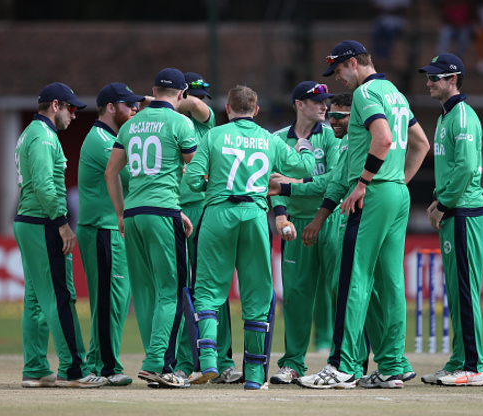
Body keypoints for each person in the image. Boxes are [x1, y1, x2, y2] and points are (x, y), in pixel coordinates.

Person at [297, 40, 429, 389]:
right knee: (391, 284)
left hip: (372, 193)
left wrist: (366, 182)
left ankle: (341, 365)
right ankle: (392, 365)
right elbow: (421, 143)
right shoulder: (395, 92)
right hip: (396, 195)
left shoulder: (367, 92)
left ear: (353, 62)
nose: (338, 79)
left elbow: (383, 139)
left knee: (353, 277)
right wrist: (398, 181)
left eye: (339, 70)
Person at [184, 85, 315, 390]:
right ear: (255, 111)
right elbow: (304, 168)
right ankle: (255, 377)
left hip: (218, 215)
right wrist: (305, 147)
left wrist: (212, 189)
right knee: (256, 296)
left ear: (227, 109)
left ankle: (208, 362)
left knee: (208, 291)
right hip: (255, 215)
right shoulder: (269, 139)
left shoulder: (213, 135)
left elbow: (191, 179)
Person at [105, 68, 197, 388]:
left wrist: (120, 212)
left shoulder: (130, 124)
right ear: (182, 94)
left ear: (153, 90)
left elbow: (111, 172)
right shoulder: (181, 122)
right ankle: (159, 363)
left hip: (133, 213)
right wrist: (177, 206)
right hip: (162, 212)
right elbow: (195, 167)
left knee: (146, 293)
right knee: (171, 290)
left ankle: (153, 359)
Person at [14, 82, 107, 388]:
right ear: (55, 105)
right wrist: (62, 222)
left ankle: (36, 367)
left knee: (36, 299)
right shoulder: (43, 137)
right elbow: (43, 185)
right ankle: (73, 369)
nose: (74, 115)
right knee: (60, 296)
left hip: (30, 222)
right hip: (42, 223)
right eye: (70, 108)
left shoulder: (31, 133)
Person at [418, 53, 483, 387]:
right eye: (429, 77)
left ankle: (473, 367)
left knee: (464, 289)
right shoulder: (446, 117)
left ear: (453, 79)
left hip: (464, 211)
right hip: (453, 209)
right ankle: (459, 359)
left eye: (435, 78)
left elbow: (466, 167)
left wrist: (442, 204)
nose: (429, 82)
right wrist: (439, 202)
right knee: (455, 291)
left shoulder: (462, 117)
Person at [267, 81, 340, 385]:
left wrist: (291, 183)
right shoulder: (276, 140)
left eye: (326, 101)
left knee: (340, 291)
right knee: (296, 295)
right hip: (295, 222)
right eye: (317, 101)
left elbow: (334, 182)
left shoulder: (334, 137)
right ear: (299, 104)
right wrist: (282, 216)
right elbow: (271, 185)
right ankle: (293, 363)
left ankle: (345, 362)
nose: (325, 106)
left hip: (331, 219)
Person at [174, 72, 244, 385]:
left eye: (203, 96)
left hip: (204, 210)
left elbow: (201, 109)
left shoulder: (204, 121)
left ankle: (223, 360)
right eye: (195, 95)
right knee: (180, 289)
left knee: (212, 289)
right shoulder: (170, 124)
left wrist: (168, 101)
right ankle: (184, 361)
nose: (201, 102)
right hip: (176, 210)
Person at [77, 83, 145, 386]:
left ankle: (96, 362)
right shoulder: (101, 140)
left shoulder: (112, 137)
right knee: (109, 300)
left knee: (114, 300)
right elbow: (134, 173)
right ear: (110, 107)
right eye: (129, 105)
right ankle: (105, 367)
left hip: (109, 228)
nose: (134, 110)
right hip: (102, 228)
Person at [371, 0, 411, 70]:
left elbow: (406, 8)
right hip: (383, 17)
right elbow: (376, 7)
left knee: (391, 33)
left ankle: (390, 59)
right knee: (378, 32)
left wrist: (393, 10)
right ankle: (380, 59)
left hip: (398, 19)